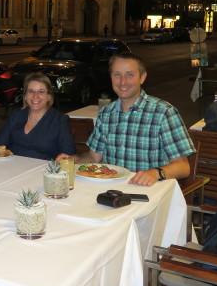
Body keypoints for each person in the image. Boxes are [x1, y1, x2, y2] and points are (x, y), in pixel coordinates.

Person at [61, 53, 193, 186]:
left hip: (149, 191)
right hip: (111, 189)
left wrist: (155, 173)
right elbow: (93, 157)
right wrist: (73, 159)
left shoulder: (163, 112)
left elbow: (183, 167)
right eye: (117, 74)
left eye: (130, 74)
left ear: (142, 77)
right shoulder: (106, 113)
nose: (122, 81)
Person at [0, 73, 75, 160]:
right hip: (11, 167)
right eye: (31, 91)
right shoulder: (16, 114)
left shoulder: (59, 120)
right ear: (25, 95)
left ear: (49, 96)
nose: (35, 96)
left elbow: (67, 155)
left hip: (42, 170)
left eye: (41, 92)